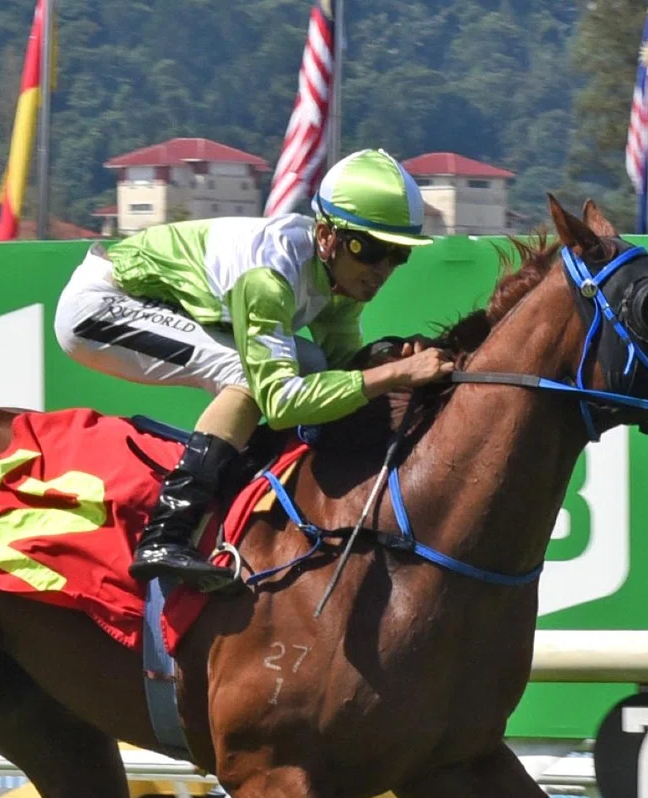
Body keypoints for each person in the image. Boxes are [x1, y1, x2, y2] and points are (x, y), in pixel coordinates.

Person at [54, 148, 456, 593]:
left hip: (153, 305)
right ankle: (166, 533)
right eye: (369, 249)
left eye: (397, 255)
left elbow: (342, 369)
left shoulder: (339, 283)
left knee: (314, 363)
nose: (382, 270)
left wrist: (391, 356)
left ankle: (244, 475)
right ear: (326, 236)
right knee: (249, 377)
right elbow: (281, 403)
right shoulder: (270, 277)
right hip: (101, 308)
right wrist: (397, 375)